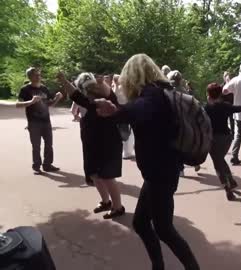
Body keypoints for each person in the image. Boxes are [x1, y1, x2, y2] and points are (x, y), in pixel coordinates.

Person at [93, 54, 200, 270]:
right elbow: (139, 112)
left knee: (164, 229)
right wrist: (119, 110)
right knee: (142, 223)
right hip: (160, 171)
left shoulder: (152, 94)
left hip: (161, 172)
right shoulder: (160, 91)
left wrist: (117, 112)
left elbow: (140, 110)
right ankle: (158, 266)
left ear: (133, 75)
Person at [58, 72, 125, 219]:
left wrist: (101, 84)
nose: (90, 90)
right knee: (94, 174)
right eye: (87, 88)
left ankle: (118, 207)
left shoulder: (105, 100)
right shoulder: (87, 101)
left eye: (92, 86)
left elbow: (76, 95)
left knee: (107, 176)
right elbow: (76, 95)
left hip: (109, 144)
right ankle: (106, 202)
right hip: (91, 144)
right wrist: (64, 81)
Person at [204, 83, 241, 201]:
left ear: (208, 94)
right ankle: (231, 181)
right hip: (226, 138)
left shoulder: (206, 108)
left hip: (213, 139)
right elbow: (237, 108)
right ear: (220, 93)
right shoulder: (225, 106)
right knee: (220, 159)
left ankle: (227, 187)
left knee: (218, 163)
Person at [16, 67, 63, 175]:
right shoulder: (25, 89)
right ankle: (36, 166)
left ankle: (47, 165)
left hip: (46, 121)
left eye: (39, 74)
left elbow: (50, 104)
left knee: (49, 144)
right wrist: (31, 102)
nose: (38, 76)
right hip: (33, 122)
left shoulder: (44, 88)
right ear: (30, 77)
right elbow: (17, 105)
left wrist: (57, 98)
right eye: (36, 75)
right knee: (36, 145)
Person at [113, 74, 135, 159]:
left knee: (121, 131)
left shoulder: (115, 88)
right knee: (126, 132)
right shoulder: (124, 88)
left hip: (118, 111)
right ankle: (126, 152)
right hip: (125, 110)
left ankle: (124, 151)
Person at [222, 71, 235, 136]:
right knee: (224, 120)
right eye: (225, 76)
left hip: (231, 105)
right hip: (224, 106)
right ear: (223, 77)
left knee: (232, 120)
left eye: (228, 75)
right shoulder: (221, 86)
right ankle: (225, 132)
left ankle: (233, 133)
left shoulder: (232, 85)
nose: (227, 77)